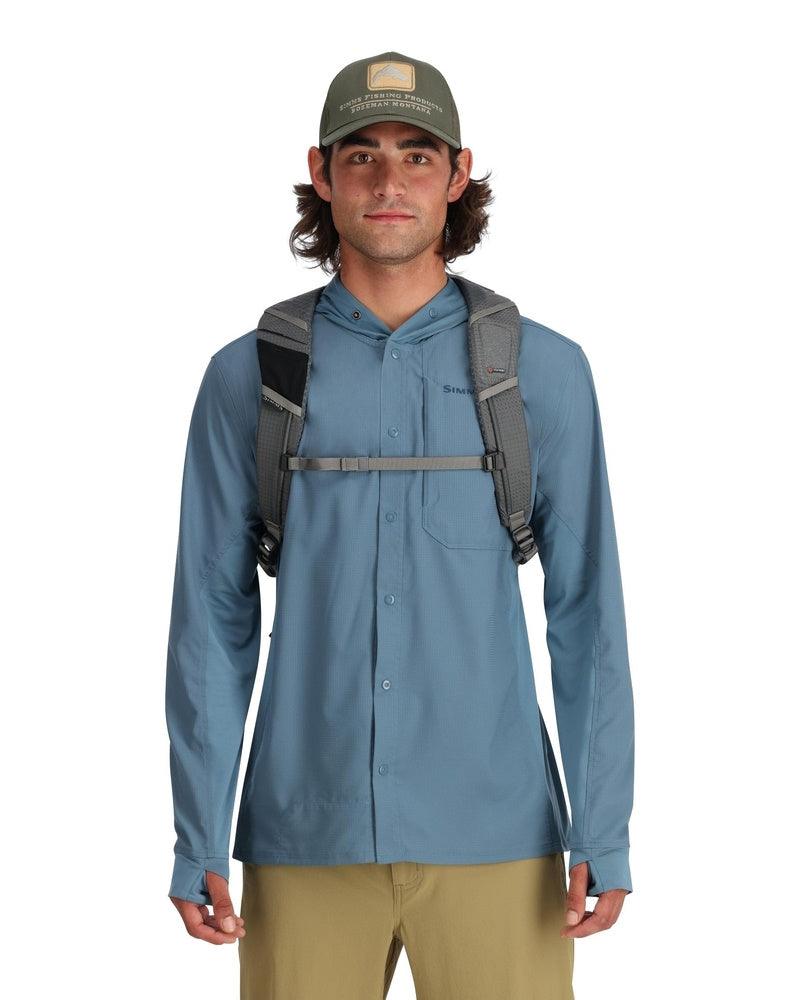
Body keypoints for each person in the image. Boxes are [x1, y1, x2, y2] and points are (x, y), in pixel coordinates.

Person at [165, 50, 635, 1000]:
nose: (390, 181)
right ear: (322, 172)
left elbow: (588, 615)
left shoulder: (541, 373)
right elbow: (210, 621)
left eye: (417, 156)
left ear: (458, 175)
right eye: (363, 155)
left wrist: (605, 825)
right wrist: (197, 833)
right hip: (304, 834)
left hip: (499, 837)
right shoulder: (248, 378)